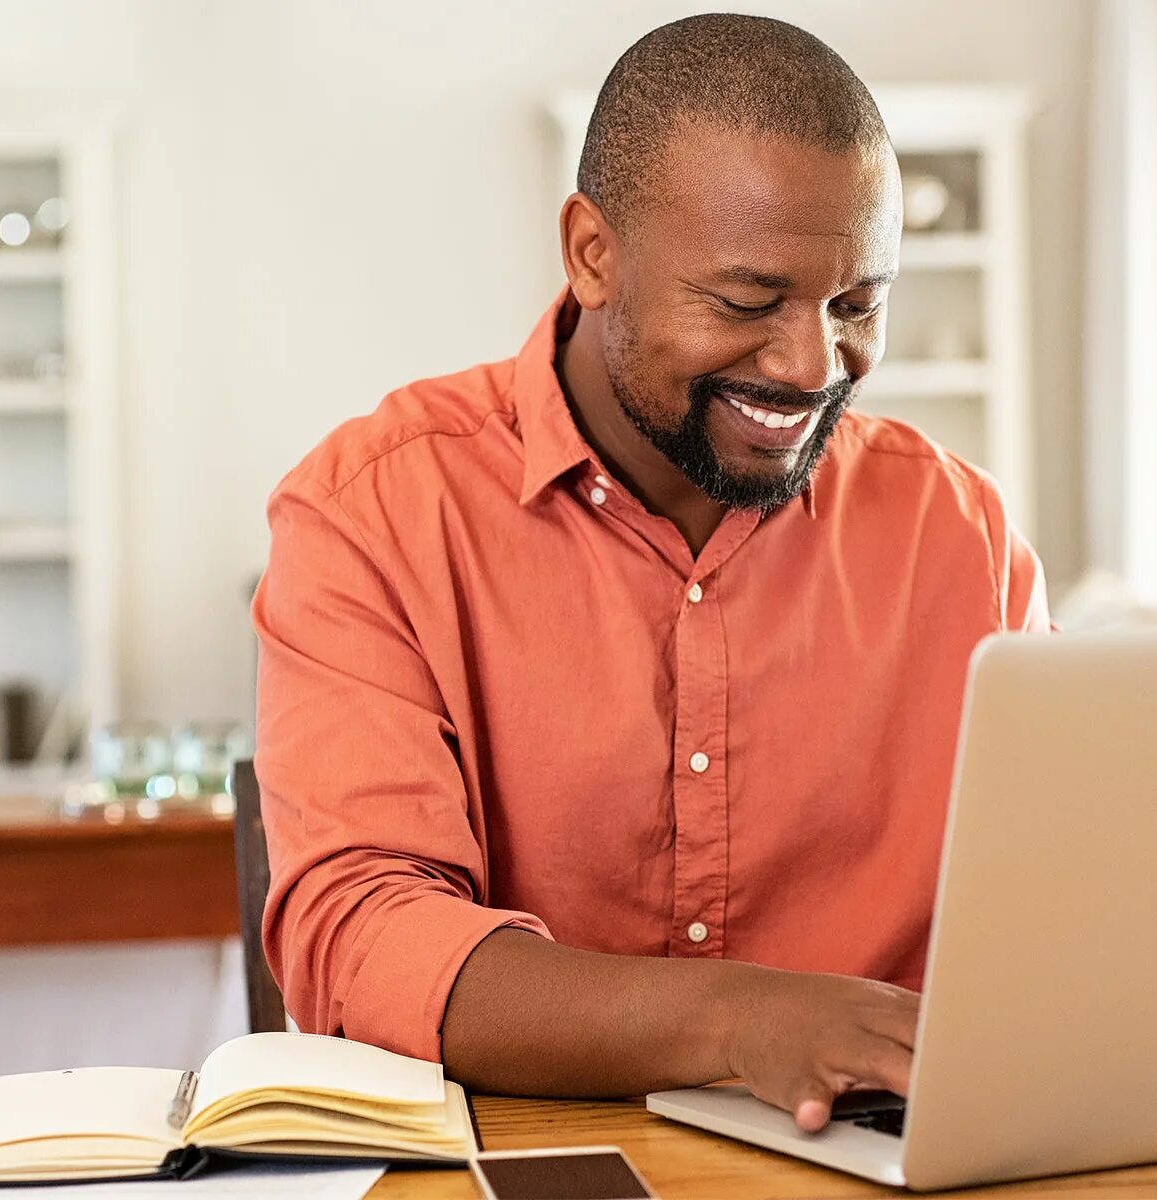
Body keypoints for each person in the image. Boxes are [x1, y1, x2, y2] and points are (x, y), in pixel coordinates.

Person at [252, 13, 1049, 1133]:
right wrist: (739, 1020)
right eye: (747, 301)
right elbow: (362, 937)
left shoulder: (960, 536)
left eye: (857, 305)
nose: (812, 365)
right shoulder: (372, 512)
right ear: (593, 253)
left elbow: (1053, 918)